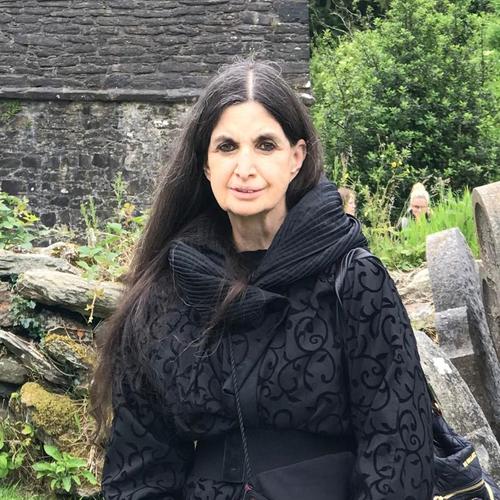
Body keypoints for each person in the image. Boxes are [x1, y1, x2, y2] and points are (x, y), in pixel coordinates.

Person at [92, 60, 434, 500]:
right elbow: (139, 471)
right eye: (227, 147)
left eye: (265, 145)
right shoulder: (166, 296)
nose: (245, 167)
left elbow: (399, 455)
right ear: (205, 165)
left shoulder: (353, 281)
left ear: (297, 157)